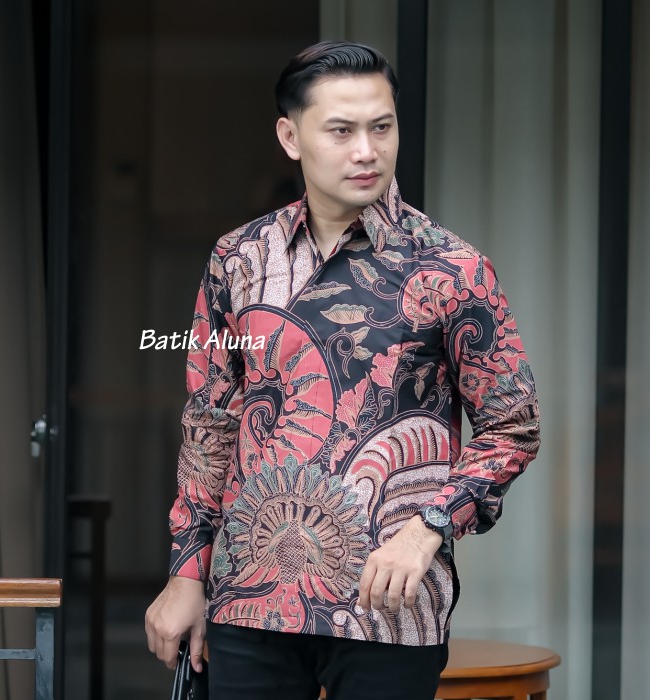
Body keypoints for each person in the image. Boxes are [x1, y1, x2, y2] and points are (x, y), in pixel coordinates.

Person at [145, 40, 540, 700]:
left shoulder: (452, 269)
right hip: (250, 602)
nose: (367, 151)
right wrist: (186, 574)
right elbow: (209, 425)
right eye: (341, 130)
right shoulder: (237, 261)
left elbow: (512, 428)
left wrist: (429, 529)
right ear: (290, 137)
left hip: (389, 612)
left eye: (382, 128)